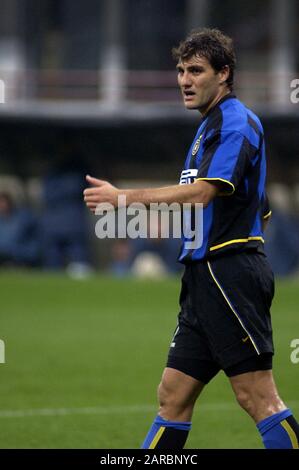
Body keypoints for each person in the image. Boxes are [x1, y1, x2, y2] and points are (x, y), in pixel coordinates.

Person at [83, 28, 299, 449]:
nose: (185, 79)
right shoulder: (208, 129)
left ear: (224, 73)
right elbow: (263, 208)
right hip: (205, 279)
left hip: (228, 274)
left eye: (196, 70)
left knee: (258, 397)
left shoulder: (236, 121)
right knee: (173, 396)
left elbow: (202, 193)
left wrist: (122, 197)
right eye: (181, 70)